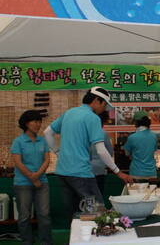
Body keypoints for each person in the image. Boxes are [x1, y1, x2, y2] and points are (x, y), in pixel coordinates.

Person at [44, 87, 133, 222]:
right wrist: (118, 172)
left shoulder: (69, 113)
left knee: (75, 215)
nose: (104, 109)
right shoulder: (93, 118)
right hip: (81, 175)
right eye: (104, 105)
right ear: (97, 100)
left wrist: (57, 152)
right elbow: (101, 150)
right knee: (97, 213)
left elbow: (47, 132)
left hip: (62, 172)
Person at [11, 110, 52, 245]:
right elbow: (18, 162)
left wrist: (37, 176)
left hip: (42, 183)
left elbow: (46, 160)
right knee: (24, 216)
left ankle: (45, 241)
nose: (38, 124)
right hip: (22, 183)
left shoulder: (42, 141)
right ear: (26, 123)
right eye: (35, 121)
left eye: (39, 121)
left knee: (44, 215)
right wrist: (33, 178)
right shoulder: (18, 141)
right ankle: (27, 241)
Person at [123, 111, 158, 181]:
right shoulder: (154, 136)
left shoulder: (132, 137)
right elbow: (153, 151)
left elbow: (127, 154)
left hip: (136, 173)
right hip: (152, 174)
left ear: (136, 122)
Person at [90, 111, 114, 196]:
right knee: (98, 194)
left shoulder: (86, 132)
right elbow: (109, 152)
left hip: (85, 168)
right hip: (99, 169)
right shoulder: (103, 133)